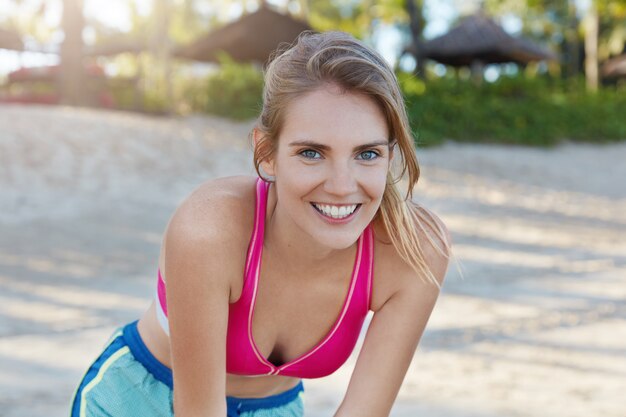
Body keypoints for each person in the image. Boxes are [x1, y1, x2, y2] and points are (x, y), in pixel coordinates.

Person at [69, 30, 451, 417]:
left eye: (367, 153)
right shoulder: (209, 231)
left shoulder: (413, 251)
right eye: (312, 153)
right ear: (267, 154)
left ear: (390, 156)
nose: (341, 186)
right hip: (139, 399)